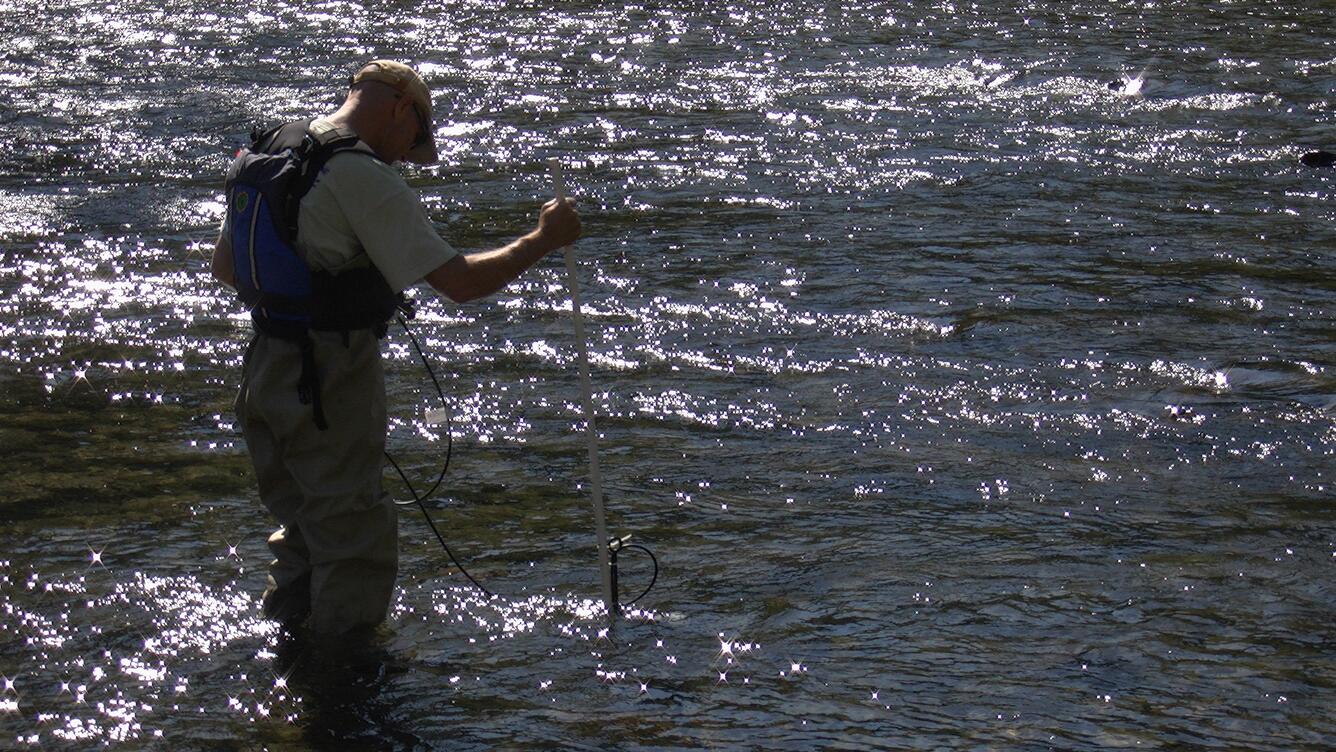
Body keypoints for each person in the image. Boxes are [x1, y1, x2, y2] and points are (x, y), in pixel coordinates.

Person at [210, 60, 580, 635]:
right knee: (354, 540)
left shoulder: (272, 150)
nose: (409, 154)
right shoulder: (360, 172)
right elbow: (462, 283)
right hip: (329, 377)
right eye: (415, 137)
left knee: (303, 526)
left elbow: (227, 269)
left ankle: (288, 655)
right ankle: (342, 691)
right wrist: (542, 240)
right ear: (403, 107)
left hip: (265, 371)